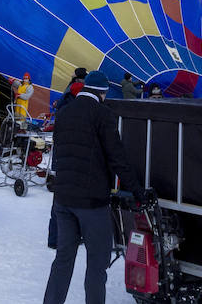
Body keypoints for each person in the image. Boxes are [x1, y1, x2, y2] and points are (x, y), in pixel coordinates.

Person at [43, 70, 145, 304]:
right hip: (91, 203)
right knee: (97, 265)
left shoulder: (65, 112)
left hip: (63, 199)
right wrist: (137, 190)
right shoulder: (103, 114)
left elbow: (59, 153)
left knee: (63, 259)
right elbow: (117, 157)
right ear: (103, 93)